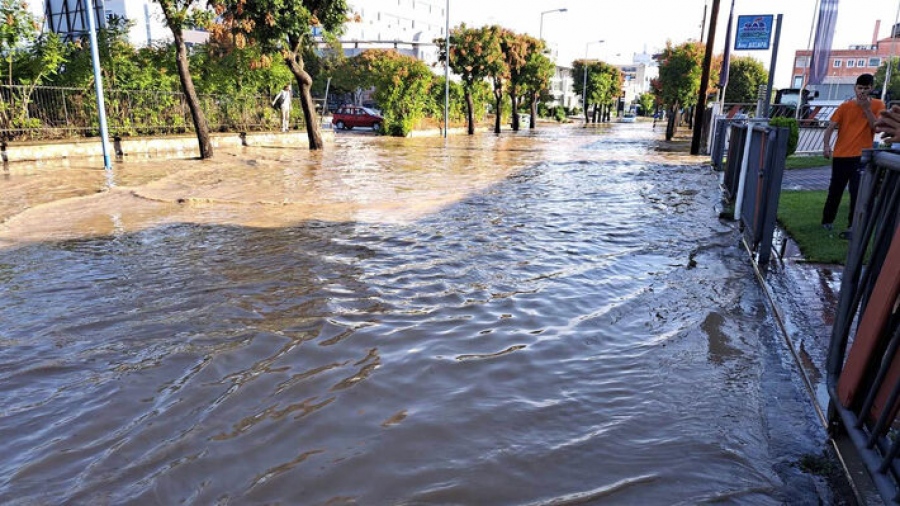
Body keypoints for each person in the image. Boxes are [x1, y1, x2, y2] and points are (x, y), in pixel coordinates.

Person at [821, 73, 884, 239]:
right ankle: (827, 221)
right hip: (841, 155)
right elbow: (830, 127)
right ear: (855, 88)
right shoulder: (845, 107)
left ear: (871, 88)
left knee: (857, 192)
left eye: (866, 88)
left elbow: (876, 128)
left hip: (861, 156)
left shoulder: (878, 105)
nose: (862, 91)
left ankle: (852, 225)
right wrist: (826, 146)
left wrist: (866, 109)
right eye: (859, 88)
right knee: (835, 190)